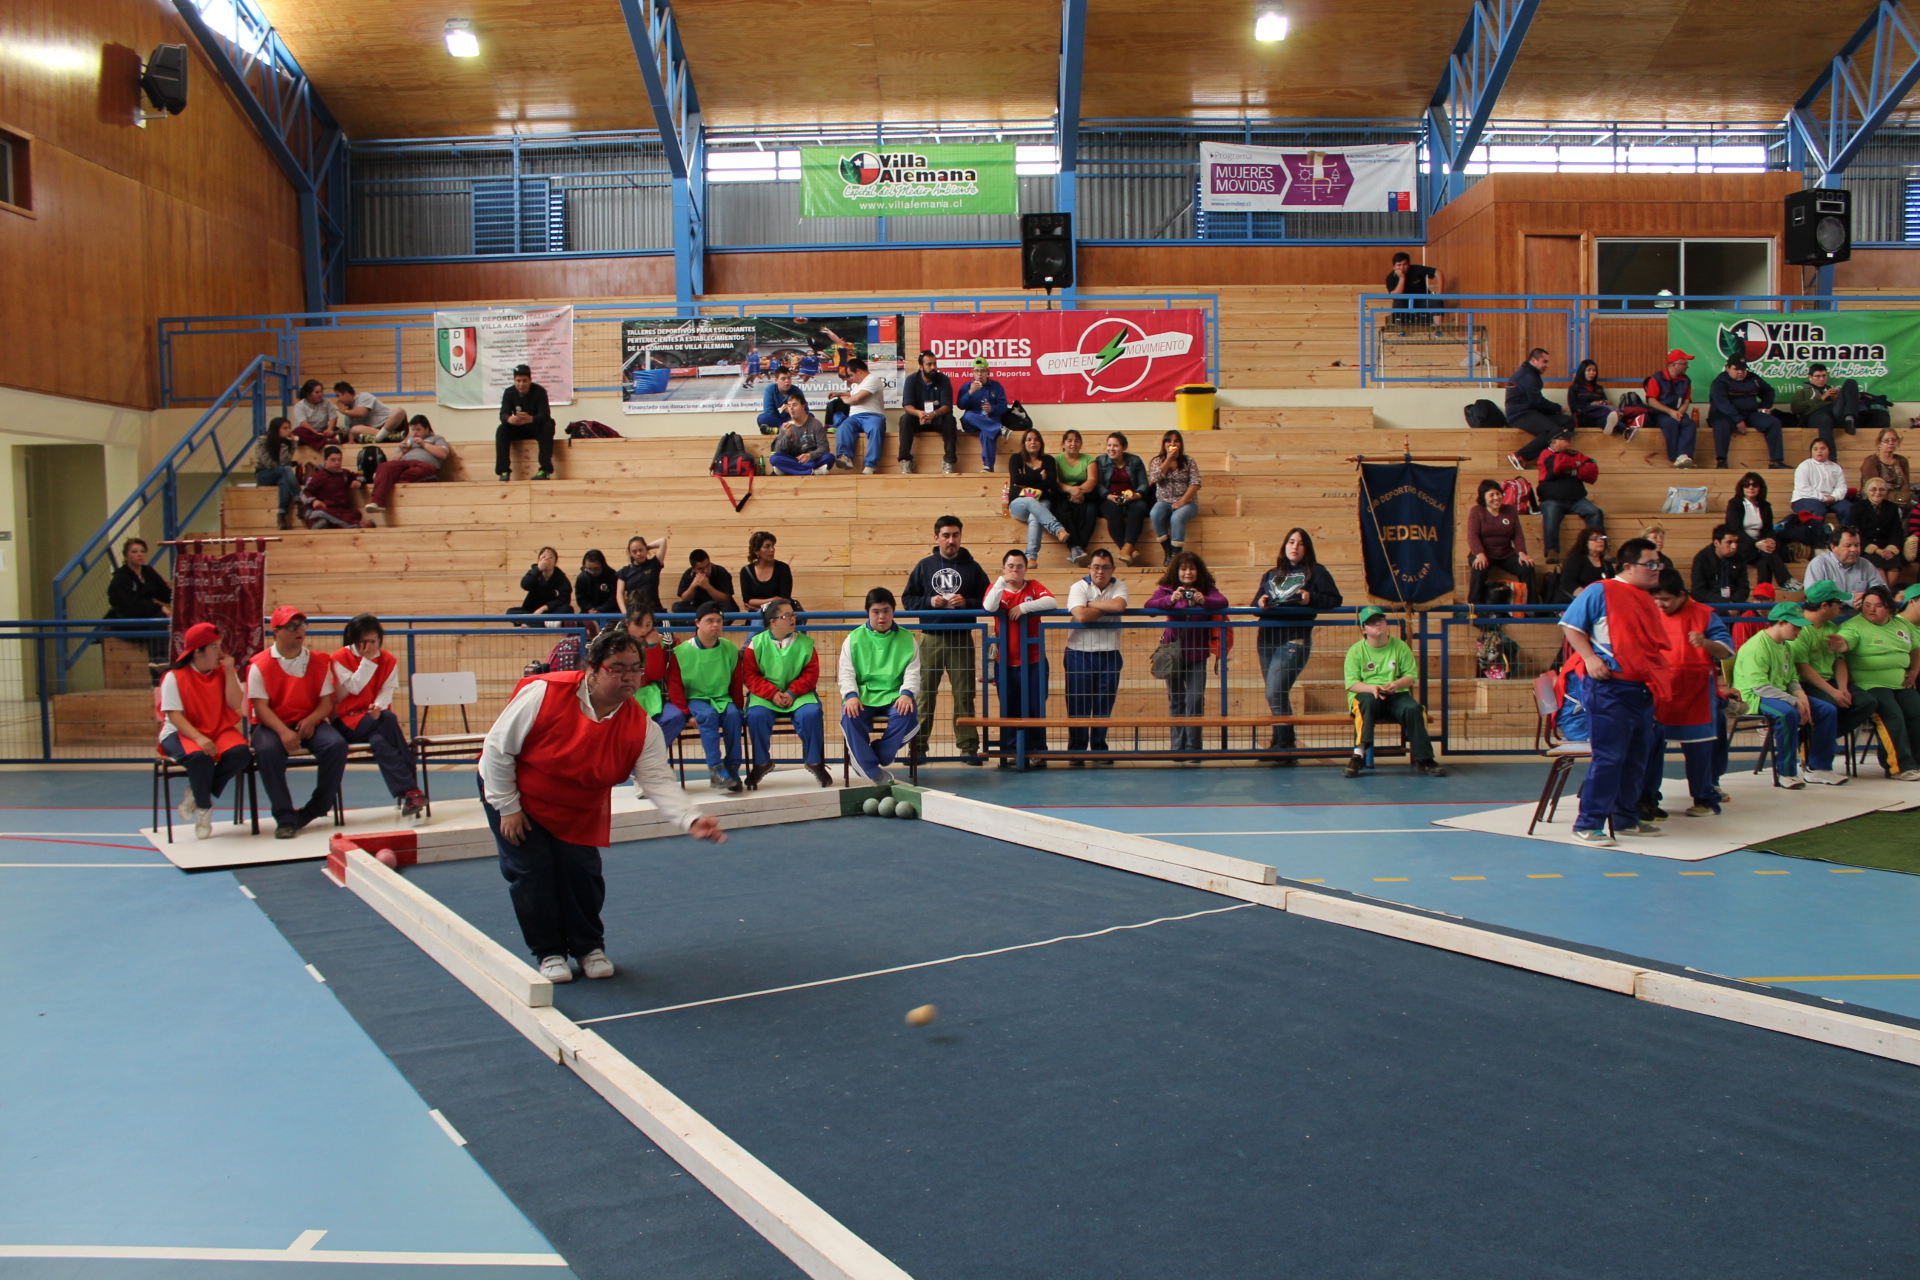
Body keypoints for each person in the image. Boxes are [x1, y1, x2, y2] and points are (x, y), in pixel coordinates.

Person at [481, 626, 727, 982]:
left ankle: (588, 947)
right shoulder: (544, 693)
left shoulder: (641, 727)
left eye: (636, 669)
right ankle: (549, 952)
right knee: (533, 872)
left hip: (578, 805)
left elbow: (656, 779)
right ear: (592, 670)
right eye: (617, 668)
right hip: (516, 793)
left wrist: (690, 818)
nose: (629, 677)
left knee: (582, 873)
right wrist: (508, 807)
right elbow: (496, 750)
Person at [1558, 537, 1673, 845]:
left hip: (1640, 688)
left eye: (1658, 563)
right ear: (1628, 566)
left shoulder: (1645, 598)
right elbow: (1570, 625)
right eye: (1650, 564)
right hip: (1609, 688)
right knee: (1610, 757)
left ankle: (1625, 818)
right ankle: (1588, 823)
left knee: (1637, 756)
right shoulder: (1600, 590)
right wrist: (1589, 658)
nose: (1656, 569)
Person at [248, 606, 347, 839]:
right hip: (272, 724)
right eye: (291, 626)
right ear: (276, 632)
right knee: (267, 751)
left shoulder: (317, 661)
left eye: (301, 625)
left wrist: (312, 720)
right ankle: (284, 817)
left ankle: (316, 807)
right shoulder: (259, 665)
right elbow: (260, 707)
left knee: (336, 745)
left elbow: (326, 702)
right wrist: (283, 732)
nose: (299, 630)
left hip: (307, 721)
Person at [1642, 572, 1735, 817]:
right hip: (1660, 693)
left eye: (1666, 599)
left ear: (1682, 595)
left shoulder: (1705, 615)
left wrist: (1706, 643)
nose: (1660, 604)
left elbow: (1727, 651)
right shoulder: (1650, 613)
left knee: (1699, 751)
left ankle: (1706, 799)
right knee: (1651, 749)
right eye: (1656, 599)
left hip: (1695, 695)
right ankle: (1648, 799)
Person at [903, 515, 991, 765]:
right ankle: (917, 748)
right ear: (936, 538)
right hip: (930, 638)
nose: (951, 540)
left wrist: (967, 603)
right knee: (924, 694)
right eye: (946, 535)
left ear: (961, 537)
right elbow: (908, 600)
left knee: (964, 694)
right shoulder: (924, 566)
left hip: (961, 638)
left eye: (955, 535)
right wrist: (929, 602)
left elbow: (988, 601)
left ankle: (968, 748)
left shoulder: (973, 568)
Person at [1734, 602, 1846, 789]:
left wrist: (1801, 697)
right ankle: (1786, 772)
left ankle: (1819, 768)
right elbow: (1760, 687)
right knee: (1788, 714)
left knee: (1827, 710)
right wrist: (1794, 701)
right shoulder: (1757, 647)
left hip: (1780, 694)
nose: (1800, 630)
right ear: (1781, 622)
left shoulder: (1785, 645)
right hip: (1754, 697)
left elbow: (1792, 677)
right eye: (1796, 626)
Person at [1255, 528, 1342, 763]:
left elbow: (1335, 599)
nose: (1295, 546)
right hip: (1266, 639)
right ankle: (1282, 742)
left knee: (1274, 692)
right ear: (1285, 545)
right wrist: (1260, 602)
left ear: (1307, 548)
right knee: (1276, 694)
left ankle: (1284, 744)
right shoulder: (1272, 574)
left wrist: (1311, 599)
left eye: (1301, 543)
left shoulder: (1316, 572)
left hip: (1294, 639)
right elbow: (1256, 602)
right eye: (1291, 541)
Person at [329, 614, 427, 818]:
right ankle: (411, 768)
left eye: (373, 641)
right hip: (346, 720)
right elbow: (354, 687)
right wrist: (367, 660)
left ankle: (411, 792)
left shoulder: (388, 660)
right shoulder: (340, 658)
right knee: (388, 719)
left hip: (373, 719)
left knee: (380, 742)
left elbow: (387, 689)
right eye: (364, 642)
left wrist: (378, 706)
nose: (369, 646)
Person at [156, 621, 248, 840]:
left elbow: (235, 702)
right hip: (181, 731)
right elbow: (175, 716)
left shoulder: (224, 671)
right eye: (214, 647)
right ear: (197, 652)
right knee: (199, 758)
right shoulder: (174, 676)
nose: (220, 651)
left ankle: (197, 793)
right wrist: (199, 738)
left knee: (241, 753)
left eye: (219, 645)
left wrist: (229, 672)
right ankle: (205, 808)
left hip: (217, 727)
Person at [1341, 606, 1442, 778]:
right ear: (1364, 629)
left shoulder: (1400, 646)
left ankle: (1425, 759)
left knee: (1414, 709)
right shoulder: (1356, 651)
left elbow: (1411, 676)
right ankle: (1358, 755)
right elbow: (1351, 683)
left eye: (1380, 620)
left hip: (1396, 693)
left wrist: (1396, 684)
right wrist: (1371, 688)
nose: (1378, 624)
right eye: (1371, 622)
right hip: (1367, 693)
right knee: (1366, 703)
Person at [1146, 551, 1229, 760]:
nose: (1188, 572)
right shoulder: (1166, 589)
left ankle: (1194, 748)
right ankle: (1178, 748)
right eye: (1183, 568)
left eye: (1192, 568)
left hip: (1198, 654)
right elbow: (1149, 606)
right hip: (1172, 655)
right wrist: (1170, 600)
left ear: (1198, 571)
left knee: (1195, 700)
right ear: (1177, 571)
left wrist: (1204, 600)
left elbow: (1223, 601)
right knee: (1176, 699)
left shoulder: (1206, 589)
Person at [741, 599, 828, 789]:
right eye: (786, 616)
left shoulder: (806, 643)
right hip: (765, 695)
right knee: (755, 716)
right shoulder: (755, 644)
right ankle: (761, 763)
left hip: (799, 694)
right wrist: (772, 693)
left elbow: (810, 674)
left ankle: (815, 762)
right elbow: (750, 676)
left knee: (811, 713)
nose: (792, 619)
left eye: (793, 614)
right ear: (772, 621)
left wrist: (792, 692)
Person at [1835, 585, 1920, 779]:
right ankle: (1899, 767)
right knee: (1893, 715)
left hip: (1900, 683)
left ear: (1889, 607)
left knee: (1917, 711)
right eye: (1867, 605)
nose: (1871, 610)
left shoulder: (1901, 624)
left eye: (1878, 605)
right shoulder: (1853, 626)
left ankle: (1916, 762)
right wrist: (1839, 644)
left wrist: (1915, 670)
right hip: (1869, 684)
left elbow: (1915, 647)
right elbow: (1845, 641)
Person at [984, 549, 1057, 768]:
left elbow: (1051, 602)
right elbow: (989, 606)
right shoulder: (996, 588)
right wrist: (1001, 582)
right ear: (1003, 568)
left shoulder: (1033, 586)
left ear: (1025, 569)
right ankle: (1011, 751)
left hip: (1033, 661)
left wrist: (1023, 607)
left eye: (1019, 566)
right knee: (1009, 707)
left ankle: (1037, 751)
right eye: (1010, 566)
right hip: (1005, 663)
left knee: (1036, 707)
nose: (1014, 570)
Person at [839, 587, 920, 784]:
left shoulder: (908, 638)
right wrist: (851, 696)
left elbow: (913, 671)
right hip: (863, 696)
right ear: (868, 612)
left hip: (895, 695)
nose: (881, 616)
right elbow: (846, 672)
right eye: (876, 611)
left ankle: (878, 754)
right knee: (849, 716)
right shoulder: (853, 638)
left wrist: (907, 694)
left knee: (907, 713)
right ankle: (872, 770)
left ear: (893, 611)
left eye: (886, 611)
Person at [1791, 580, 1873, 752]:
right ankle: (1814, 745)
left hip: (1830, 681)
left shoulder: (1830, 627)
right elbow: (1802, 668)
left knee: (1867, 702)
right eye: (1838, 602)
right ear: (1824, 605)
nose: (1841, 606)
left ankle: (1816, 739)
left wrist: (1842, 688)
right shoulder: (1800, 629)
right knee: (1830, 706)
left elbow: (1839, 660)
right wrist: (1833, 692)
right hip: (1805, 684)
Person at [1064, 548, 1127, 764]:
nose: (1101, 571)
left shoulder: (1119, 586)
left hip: (1110, 653)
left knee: (1104, 703)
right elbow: (1081, 616)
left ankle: (1099, 748)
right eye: (1097, 567)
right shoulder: (1078, 586)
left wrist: (1090, 604)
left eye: (1106, 567)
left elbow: (1119, 605)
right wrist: (1106, 607)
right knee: (1078, 704)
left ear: (1113, 569)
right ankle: (1077, 751)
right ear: (1090, 567)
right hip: (1078, 653)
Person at [674, 600, 745, 791]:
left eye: (719, 621)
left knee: (733, 715)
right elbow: (675, 686)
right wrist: (685, 713)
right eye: (710, 620)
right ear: (697, 622)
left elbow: (736, 681)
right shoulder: (681, 652)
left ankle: (733, 768)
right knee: (708, 715)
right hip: (695, 699)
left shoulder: (729, 648)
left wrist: (738, 706)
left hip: (722, 698)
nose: (715, 625)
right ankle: (716, 769)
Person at [623, 605, 688, 775]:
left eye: (648, 625)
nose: (644, 630)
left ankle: (643, 766)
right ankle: (639, 768)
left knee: (675, 717)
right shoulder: (617, 644)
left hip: (650, 694)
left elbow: (656, 674)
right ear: (627, 623)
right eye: (639, 625)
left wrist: (653, 646)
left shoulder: (657, 643)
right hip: (624, 696)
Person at [363, 415, 451, 518]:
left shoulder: (436, 438)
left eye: (418, 429)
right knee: (384, 467)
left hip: (425, 465)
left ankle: (383, 479)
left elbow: (443, 454)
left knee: (413, 473)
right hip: (405, 462)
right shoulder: (409, 440)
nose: (415, 432)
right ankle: (376, 502)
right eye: (413, 430)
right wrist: (403, 452)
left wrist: (423, 444)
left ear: (427, 428)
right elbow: (394, 460)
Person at [1536, 428, 1604, 559]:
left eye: (1571, 438)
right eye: (1566, 439)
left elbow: (1593, 470)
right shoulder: (1545, 454)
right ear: (1554, 441)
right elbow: (1558, 464)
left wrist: (1573, 471)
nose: (1571, 441)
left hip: (1577, 500)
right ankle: (1552, 551)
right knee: (1550, 513)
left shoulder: (1576, 454)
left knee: (1595, 512)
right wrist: (1579, 464)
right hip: (1552, 500)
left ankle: (1599, 551)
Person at [1466, 479, 1537, 604]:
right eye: (1491, 495)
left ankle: (1532, 608)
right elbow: (1472, 535)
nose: (1496, 498)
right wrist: (1479, 554)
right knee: (1479, 568)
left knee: (1527, 567)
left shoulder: (1510, 510)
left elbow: (1517, 534)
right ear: (1483, 497)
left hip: (1506, 553)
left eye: (1498, 494)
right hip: (1484, 553)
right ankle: (1474, 606)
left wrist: (1522, 552)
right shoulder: (1477, 511)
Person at [1707, 357, 1785, 471]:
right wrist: (1738, 420)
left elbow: (1769, 391)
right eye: (1736, 369)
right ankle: (1721, 461)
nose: (1740, 372)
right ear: (1727, 368)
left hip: (1750, 413)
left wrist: (1764, 406)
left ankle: (1776, 462)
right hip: (1725, 415)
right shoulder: (1720, 382)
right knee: (1721, 425)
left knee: (1773, 422)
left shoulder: (1753, 378)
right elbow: (1722, 403)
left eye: (1743, 369)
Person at [1007, 429, 1072, 564]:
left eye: (1036, 439)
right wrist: (1040, 477)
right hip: (1019, 504)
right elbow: (1016, 479)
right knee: (1030, 500)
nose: (1033, 442)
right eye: (1029, 439)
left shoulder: (1048, 460)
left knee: (1035, 515)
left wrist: (1026, 482)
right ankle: (1057, 529)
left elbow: (1051, 482)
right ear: (1024, 443)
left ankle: (1031, 557)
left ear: (1041, 443)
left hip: (1042, 502)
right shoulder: (1016, 458)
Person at [1503, 348, 1575, 468]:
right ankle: (1520, 456)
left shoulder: (1531, 373)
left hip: (1531, 411)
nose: (1547, 365)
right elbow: (1537, 402)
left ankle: (1555, 456)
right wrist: (1558, 408)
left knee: (1568, 421)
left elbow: (1537, 402)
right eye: (1544, 361)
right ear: (1534, 360)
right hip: (1519, 415)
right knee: (1552, 430)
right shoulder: (1528, 376)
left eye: (1548, 362)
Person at [105, 537, 172, 663]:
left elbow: (164, 592)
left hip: (146, 615)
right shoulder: (120, 578)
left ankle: (163, 662)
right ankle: (159, 662)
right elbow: (130, 606)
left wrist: (180, 600)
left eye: (142, 551)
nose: (139, 554)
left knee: (165, 618)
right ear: (126, 556)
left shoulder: (148, 572)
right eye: (134, 551)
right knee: (160, 617)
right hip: (126, 619)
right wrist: (159, 607)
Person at [1725, 472, 1793, 589]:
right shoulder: (1735, 504)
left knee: (1764, 561)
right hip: (1740, 544)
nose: (1751, 487)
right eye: (1747, 485)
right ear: (1742, 488)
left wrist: (1770, 541)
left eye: (1755, 485)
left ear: (1760, 488)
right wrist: (1756, 544)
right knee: (1766, 553)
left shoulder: (1765, 506)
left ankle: (1762, 594)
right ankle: (1786, 580)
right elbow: (1735, 530)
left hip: (1760, 545)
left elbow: (1769, 529)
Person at [1803, 528, 1887, 617]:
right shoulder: (1819, 564)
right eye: (1848, 546)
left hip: (1859, 620)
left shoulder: (1865, 564)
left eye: (1857, 545)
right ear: (1833, 547)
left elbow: (1884, 591)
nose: (1854, 549)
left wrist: (1867, 597)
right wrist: (1850, 599)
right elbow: (1812, 595)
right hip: (1828, 620)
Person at [1148, 430, 1203, 566]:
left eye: (1176, 441)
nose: (1172, 443)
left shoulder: (1189, 461)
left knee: (1176, 518)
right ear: (1164, 444)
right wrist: (1169, 459)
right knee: (1155, 513)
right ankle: (1168, 550)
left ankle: (1175, 555)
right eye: (1169, 441)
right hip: (1164, 501)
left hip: (1188, 502)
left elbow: (1196, 483)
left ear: (1180, 444)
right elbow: (1154, 478)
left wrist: (1182, 501)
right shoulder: (1157, 461)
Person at [1097, 432, 1152, 565]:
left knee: (1139, 508)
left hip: (1132, 498)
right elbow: (1098, 484)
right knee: (1113, 511)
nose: (1111, 449)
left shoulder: (1135, 461)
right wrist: (1108, 495)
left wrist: (1137, 495)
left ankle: (1126, 549)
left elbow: (1144, 483)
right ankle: (1128, 550)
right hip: (1110, 498)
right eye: (1109, 445)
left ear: (1124, 447)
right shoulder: (1101, 461)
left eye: (1115, 445)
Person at [898, 351, 957, 475]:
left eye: (935, 364)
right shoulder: (911, 380)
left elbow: (947, 406)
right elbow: (907, 406)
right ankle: (906, 461)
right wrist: (919, 413)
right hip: (918, 419)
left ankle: (949, 462)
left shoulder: (943, 379)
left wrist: (934, 414)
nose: (933, 367)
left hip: (937, 418)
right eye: (929, 364)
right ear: (921, 366)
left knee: (950, 419)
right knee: (905, 419)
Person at [496, 364, 555, 482]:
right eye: (518, 381)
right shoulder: (509, 392)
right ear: (514, 381)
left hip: (536, 427)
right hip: (519, 428)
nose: (521, 384)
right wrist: (509, 419)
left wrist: (531, 419)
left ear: (530, 380)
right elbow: (503, 414)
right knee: (501, 429)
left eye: (524, 380)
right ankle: (503, 471)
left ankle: (545, 470)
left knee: (547, 427)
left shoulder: (539, 391)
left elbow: (545, 415)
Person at [1050, 430, 1101, 564]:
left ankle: (1079, 547)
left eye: (1077, 440)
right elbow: (1055, 482)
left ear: (1081, 444)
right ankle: (1075, 547)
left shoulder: (1089, 459)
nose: (1073, 443)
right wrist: (1070, 490)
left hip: (1084, 493)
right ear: (1063, 444)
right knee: (1062, 510)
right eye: (1069, 440)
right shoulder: (1056, 460)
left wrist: (1078, 491)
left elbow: (1092, 480)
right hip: (1063, 493)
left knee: (1091, 510)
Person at [832, 357, 887, 475]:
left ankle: (870, 464)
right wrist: (840, 394)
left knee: (875, 429)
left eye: (851, 375)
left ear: (859, 371)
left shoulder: (873, 379)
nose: (850, 378)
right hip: (854, 417)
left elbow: (856, 398)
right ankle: (844, 456)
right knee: (843, 427)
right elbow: (851, 393)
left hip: (873, 415)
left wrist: (846, 400)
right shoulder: (856, 384)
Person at [1643, 350, 1698, 468]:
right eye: (1685, 363)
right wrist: (1671, 412)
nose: (1687, 366)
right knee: (1670, 423)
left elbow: (1686, 401)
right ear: (1674, 365)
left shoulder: (1686, 380)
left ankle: (1684, 456)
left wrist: (1679, 413)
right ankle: (1675, 457)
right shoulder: (1656, 378)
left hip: (1678, 412)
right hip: (1660, 414)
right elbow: (1651, 401)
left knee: (1690, 424)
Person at [956, 358, 1010, 473]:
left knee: (987, 431)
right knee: (968, 415)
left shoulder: (996, 386)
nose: (979, 374)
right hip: (972, 422)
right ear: (972, 372)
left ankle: (988, 466)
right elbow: (960, 405)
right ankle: (999, 429)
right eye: (977, 371)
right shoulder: (966, 387)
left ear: (988, 372)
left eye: (983, 371)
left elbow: (1003, 406)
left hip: (989, 419)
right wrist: (970, 392)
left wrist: (992, 409)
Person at [1790, 363, 1860, 451]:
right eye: (1818, 376)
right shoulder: (1802, 391)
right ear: (1810, 377)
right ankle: (1830, 457)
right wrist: (1821, 398)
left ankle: (1849, 420)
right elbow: (1795, 408)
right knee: (1825, 419)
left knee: (1850, 382)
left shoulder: (1831, 389)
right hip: (1817, 414)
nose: (1822, 379)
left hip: (1834, 413)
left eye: (1824, 376)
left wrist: (1837, 398)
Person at [301, 445, 371, 529]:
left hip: (340, 512)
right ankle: (356, 526)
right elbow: (304, 493)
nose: (337, 463)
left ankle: (329, 524)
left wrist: (358, 481)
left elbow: (361, 477)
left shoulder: (344, 473)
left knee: (356, 513)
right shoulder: (317, 476)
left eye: (339, 460)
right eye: (333, 460)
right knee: (322, 513)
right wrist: (313, 501)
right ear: (325, 460)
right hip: (325, 510)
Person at [1792, 435, 1853, 530]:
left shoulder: (1836, 467)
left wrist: (1834, 497)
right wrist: (1823, 498)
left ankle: (1844, 534)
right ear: (1811, 451)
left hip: (1831, 499)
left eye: (1823, 448)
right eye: (1815, 449)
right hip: (1805, 498)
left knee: (1848, 508)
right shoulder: (1804, 466)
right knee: (1818, 508)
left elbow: (1841, 487)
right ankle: (1818, 537)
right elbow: (1803, 488)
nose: (1819, 451)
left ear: (1829, 450)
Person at [253, 416, 302, 529]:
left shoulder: (285, 442)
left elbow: (286, 461)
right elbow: (269, 465)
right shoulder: (263, 441)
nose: (288, 431)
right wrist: (283, 446)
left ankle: (281, 515)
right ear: (276, 429)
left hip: (279, 473)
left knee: (284, 481)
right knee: (286, 470)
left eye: (289, 428)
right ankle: (299, 501)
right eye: (285, 428)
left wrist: (291, 444)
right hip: (263, 474)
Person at [769, 392, 834, 475]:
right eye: (789, 405)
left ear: (803, 406)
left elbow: (824, 448)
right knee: (774, 459)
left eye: (794, 405)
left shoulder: (816, 424)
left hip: (811, 459)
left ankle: (793, 471)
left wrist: (810, 455)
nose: (791, 408)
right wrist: (787, 435)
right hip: (793, 461)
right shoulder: (785, 426)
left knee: (829, 457)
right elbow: (778, 451)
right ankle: (811, 472)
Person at [1853, 477, 1907, 576]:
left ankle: (1886, 587)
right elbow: (1855, 533)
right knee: (1878, 568)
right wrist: (1875, 550)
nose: (1878, 492)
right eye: (1873, 489)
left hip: (1887, 548)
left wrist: (1890, 550)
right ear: (1867, 492)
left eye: (1882, 489)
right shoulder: (1857, 508)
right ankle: (1884, 587)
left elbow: (1897, 532)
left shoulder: (1892, 507)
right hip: (1867, 549)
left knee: (1894, 567)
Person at [509, 546, 571, 625]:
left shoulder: (561, 577)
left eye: (550, 557)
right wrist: (537, 570)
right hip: (532, 611)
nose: (547, 559)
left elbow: (564, 599)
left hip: (551, 612)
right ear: (539, 560)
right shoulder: (533, 573)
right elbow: (525, 585)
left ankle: (531, 623)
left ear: (555, 562)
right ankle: (543, 624)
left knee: (568, 609)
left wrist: (543, 608)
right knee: (510, 612)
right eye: (543, 557)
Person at [1689, 525, 1750, 604]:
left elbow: (1744, 588)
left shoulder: (1739, 558)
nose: (1734, 546)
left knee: (1752, 610)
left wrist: (1733, 603)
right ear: (1716, 542)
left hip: (1735, 603)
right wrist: (1726, 603)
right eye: (1729, 542)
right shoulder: (1702, 559)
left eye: (1736, 542)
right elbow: (1698, 592)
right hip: (1711, 604)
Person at [332, 381, 406, 443]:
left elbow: (361, 413)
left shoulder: (363, 396)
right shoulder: (348, 414)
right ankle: (388, 437)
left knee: (399, 411)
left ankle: (379, 437)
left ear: (346, 393)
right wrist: (350, 441)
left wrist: (345, 411)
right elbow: (351, 432)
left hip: (390, 425)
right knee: (354, 429)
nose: (338, 400)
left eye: (338, 396)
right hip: (374, 431)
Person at [615, 533, 670, 615]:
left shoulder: (654, 564)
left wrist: (647, 547)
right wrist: (625, 613)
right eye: (634, 551)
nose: (638, 554)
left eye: (641, 550)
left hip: (654, 611)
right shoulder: (624, 572)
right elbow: (619, 594)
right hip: (634, 612)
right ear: (630, 553)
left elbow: (663, 541)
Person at [739, 531, 793, 613]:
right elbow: (748, 601)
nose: (772, 550)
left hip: (778, 613)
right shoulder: (746, 571)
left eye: (773, 546)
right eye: (767, 546)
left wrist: (760, 607)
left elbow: (785, 599)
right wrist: (773, 600)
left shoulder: (783, 568)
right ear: (756, 551)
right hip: (755, 615)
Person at [1861, 427, 1912, 511]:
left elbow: (1906, 485)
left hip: (1899, 499)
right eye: (1886, 440)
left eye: (1894, 440)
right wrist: (1894, 503)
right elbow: (1875, 489)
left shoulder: (1902, 460)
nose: (1891, 443)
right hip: (1877, 499)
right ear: (1879, 443)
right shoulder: (1871, 461)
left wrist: (1904, 499)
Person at [673, 549, 738, 615]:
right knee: (677, 607)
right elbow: (685, 600)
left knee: (730, 608)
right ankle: (701, 618)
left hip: (717, 607)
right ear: (693, 569)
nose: (706, 570)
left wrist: (707, 586)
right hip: (698, 608)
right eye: (701, 568)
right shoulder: (689, 574)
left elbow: (726, 599)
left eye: (707, 566)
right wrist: (693, 585)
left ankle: (708, 618)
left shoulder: (720, 571)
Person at [1385, 252, 1442, 326]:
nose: (1402, 268)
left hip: (1423, 300)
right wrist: (1402, 278)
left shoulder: (1416, 269)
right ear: (1394, 267)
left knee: (1437, 302)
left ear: (1408, 265)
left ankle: (1438, 328)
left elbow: (1438, 272)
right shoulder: (1390, 278)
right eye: (1399, 265)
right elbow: (1396, 295)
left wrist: (1440, 293)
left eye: (1404, 264)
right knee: (1398, 302)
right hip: (1405, 303)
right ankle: (1401, 329)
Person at [1557, 527, 1611, 603]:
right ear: (1585, 542)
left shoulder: (1607, 565)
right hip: (1577, 603)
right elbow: (1568, 582)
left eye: (1602, 538)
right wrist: (1588, 597)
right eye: (1595, 538)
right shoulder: (1575, 559)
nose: (1600, 541)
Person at [1567, 360, 1619, 433]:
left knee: (1608, 417)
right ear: (1582, 371)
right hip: (1584, 415)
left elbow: (1604, 401)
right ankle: (1623, 430)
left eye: (1594, 370)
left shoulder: (1599, 388)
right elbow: (1573, 407)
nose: (1592, 373)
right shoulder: (1574, 388)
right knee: (1605, 419)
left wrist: (1605, 402)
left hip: (1600, 413)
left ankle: (1624, 430)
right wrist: (1590, 404)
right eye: (1588, 370)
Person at [291, 380, 343, 448]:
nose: (320, 394)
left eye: (321, 392)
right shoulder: (300, 405)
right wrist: (316, 433)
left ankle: (324, 439)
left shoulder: (327, 402)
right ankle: (327, 440)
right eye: (317, 392)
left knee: (338, 430)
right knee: (299, 431)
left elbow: (333, 417)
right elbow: (303, 423)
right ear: (308, 394)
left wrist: (329, 429)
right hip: (308, 432)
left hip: (323, 431)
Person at [755, 367, 804, 435]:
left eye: (789, 378)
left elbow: (804, 412)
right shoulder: (770, 389)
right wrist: (780, 410)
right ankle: (785, 430)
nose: (787, 381)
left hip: (790, 419)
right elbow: (769, 412)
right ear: (776, 380)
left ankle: (778, 430)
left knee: (810, 416)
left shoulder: (797, 391)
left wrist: (791, 410)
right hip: (776, 420)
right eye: (783, 379)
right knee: (762, 418)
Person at [575, 550, 619, 617]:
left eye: (596, 568)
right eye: (589, 568)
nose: (592, 572)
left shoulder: (612, 576)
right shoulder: (582, 578)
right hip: (588, 612)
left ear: (602, 565)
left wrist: (600, 610)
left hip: (609, 611)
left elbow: (613, 598)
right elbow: (581, 598)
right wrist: (589, 609)